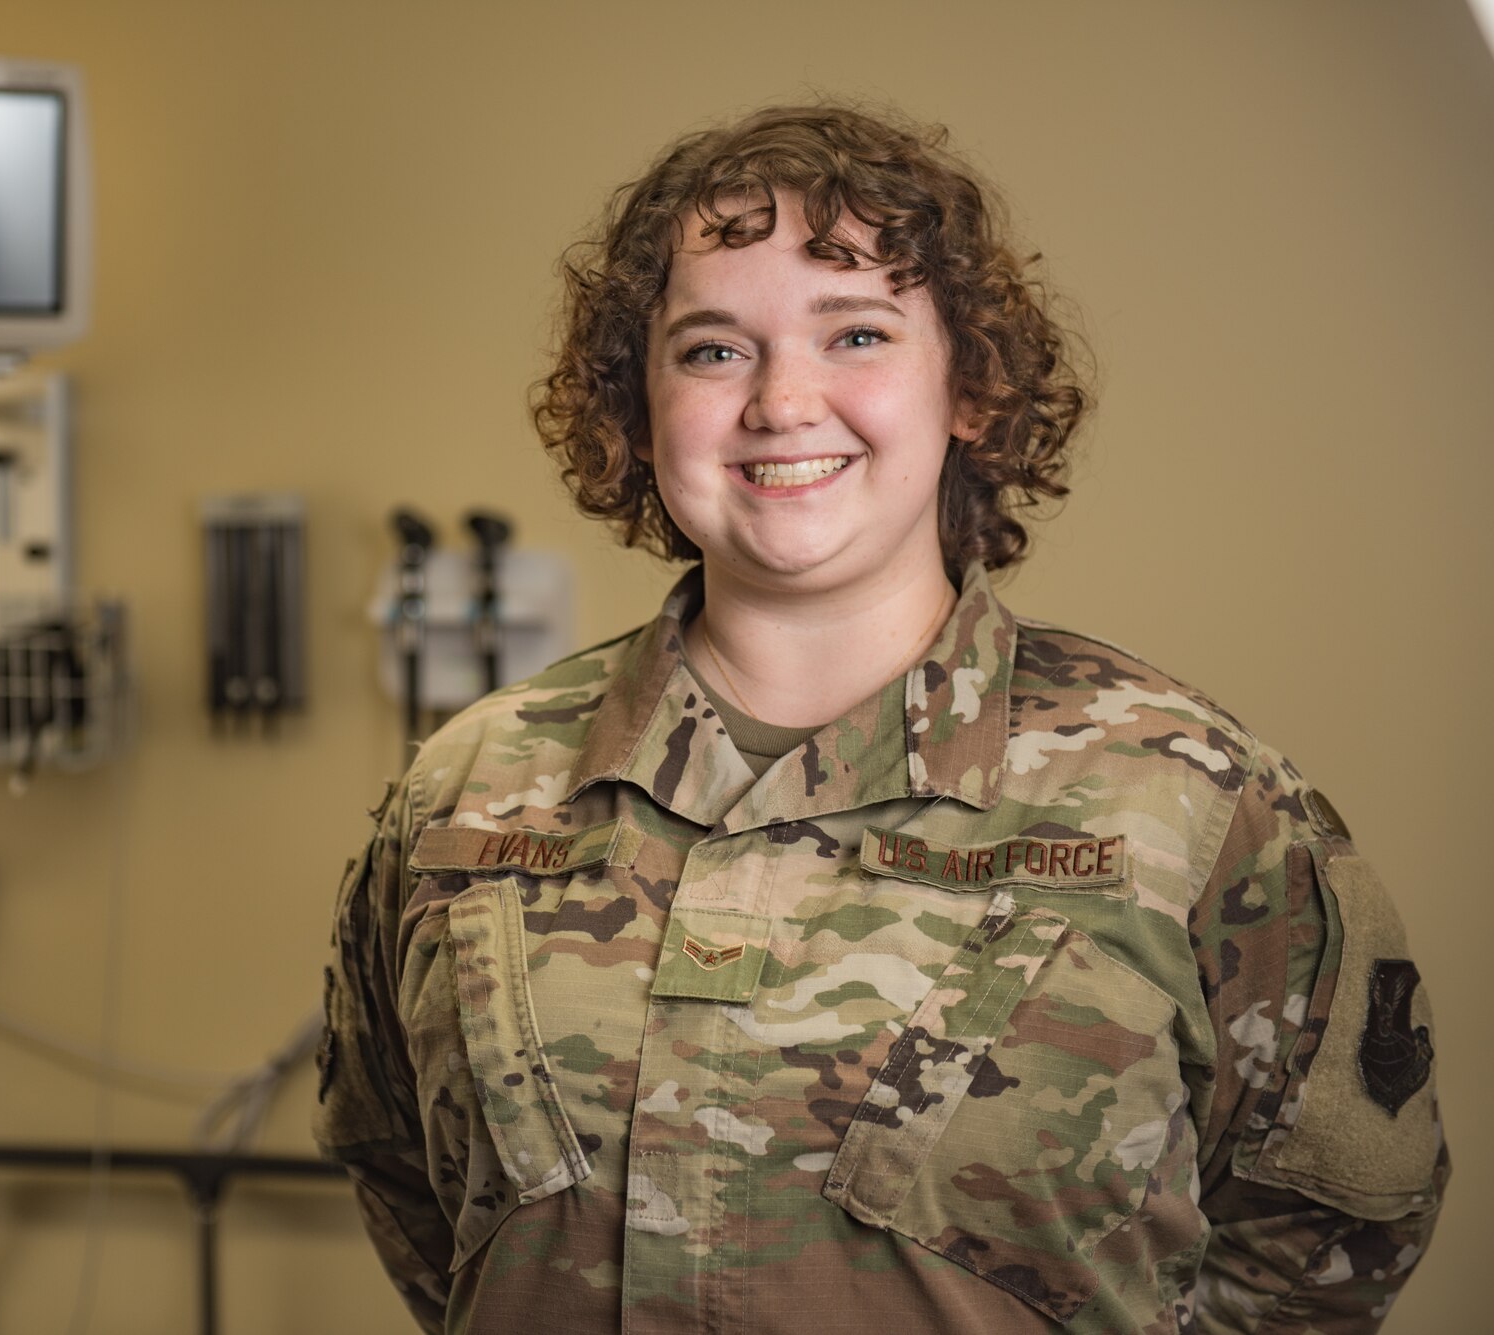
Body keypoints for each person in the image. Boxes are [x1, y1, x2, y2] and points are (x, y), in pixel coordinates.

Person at [313, 102, 1445, 1333]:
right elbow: (410, 1189)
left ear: (968, 387)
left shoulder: (1185, 798)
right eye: (710, 350)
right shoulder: (466, 792)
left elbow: (1333, 1228)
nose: (781, 401)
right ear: (636, 410)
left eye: (854, 333)